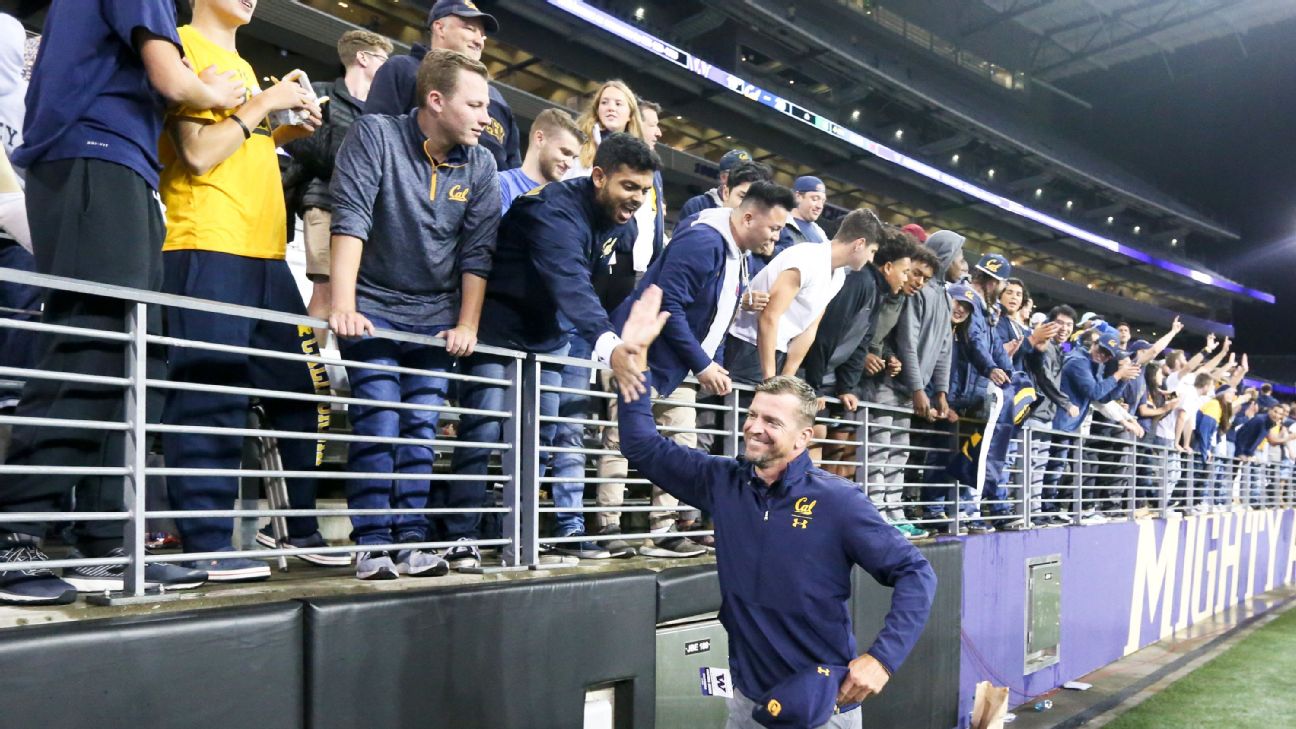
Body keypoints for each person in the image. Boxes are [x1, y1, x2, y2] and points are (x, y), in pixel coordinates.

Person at [0, 0, 247, 603]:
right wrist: (216, 92)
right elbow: (172, 79)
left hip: (122, 163)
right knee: (93, 344)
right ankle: (13, 533)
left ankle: (104, 541)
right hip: (91, 154)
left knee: (134, 358)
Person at [615, 286, 936, 729]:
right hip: (747, 703)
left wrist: (882, 659)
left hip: (821, 708)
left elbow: (916, 573)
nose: (754, 427)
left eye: (771, 421)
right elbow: (642, 446)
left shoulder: (838, 501)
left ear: (804, 437)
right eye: (752, 414)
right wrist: (634, 366)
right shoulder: (723, 481)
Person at [157, 0, 340, 581]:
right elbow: (197, 153)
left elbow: (237, 143)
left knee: (302, 391)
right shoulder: (181, 46)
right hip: (208, 242)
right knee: (210, 393)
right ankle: (206, 541)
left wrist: (283, 129)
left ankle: (295, 529)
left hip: (264, 253)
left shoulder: (242, 66)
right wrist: (264, 104)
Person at [449, 132, 660, 567]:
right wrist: (608, 343)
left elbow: (608, 285)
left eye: (644, 189)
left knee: (540, 441)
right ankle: (460, 535)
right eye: (628, 186)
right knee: (483, 432)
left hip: (548, 336)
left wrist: (606, 330)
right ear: (599, 176)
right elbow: (571, 281)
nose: (637, 199)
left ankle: (521, 536)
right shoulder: (552, 210)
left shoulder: (625, 222)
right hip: (498, 331)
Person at [328, 50, 500, 580]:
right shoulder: (375, 135)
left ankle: (410, 541)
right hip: (374, 309)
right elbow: (350, 218)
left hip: (434, 317)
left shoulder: (482, 164)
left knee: (422, 429)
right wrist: (343, 305)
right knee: (380, 421)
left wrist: (468, 324)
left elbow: (477, 253)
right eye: (475, 105)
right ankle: (372, 543)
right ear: (436, 100)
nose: (485, 116)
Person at [599, 181, 795, 558]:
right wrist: (703, 363)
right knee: (621, 440)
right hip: (642, 354)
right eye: (773, 227)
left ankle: (664, 529)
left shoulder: (736, 253)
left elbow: (715, 315)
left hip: (679, 366)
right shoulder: (704, 240)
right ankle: (608, 526)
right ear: (748, 217)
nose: (776, 236)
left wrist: (708, 361)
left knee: (682, 443)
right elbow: (669, 304)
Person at [282, 29, 392, 336]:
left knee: (353, 297)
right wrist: (355, 156)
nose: (388, 68)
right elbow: (300, 142)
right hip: (324, 203)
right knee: (326, 293)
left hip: (368, 215)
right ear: (363, 58)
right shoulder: (319, 93)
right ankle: (308, 363)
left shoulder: (384, 108)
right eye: (383, 60)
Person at [364, 0, 520, 171]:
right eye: (470, 29)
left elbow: (512, 169)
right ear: (440, 28)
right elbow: (371, 139)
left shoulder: (497, 99)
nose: (479, 42)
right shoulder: (403, 69)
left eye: (482, 36)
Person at [724, 228, 877, 387]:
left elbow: (810, 328)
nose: (871, 259)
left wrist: (787, 378)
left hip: (779, 351)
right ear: (859, 244)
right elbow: (769, 316)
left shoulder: (839, 276)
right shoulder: (806, 258)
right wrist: (770, 378)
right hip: (746, 344)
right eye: (872, 251)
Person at [1023, 305, 1079, 524]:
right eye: (1060, 323)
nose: (1064, 328)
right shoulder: (1044, 346)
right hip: (1033, 413)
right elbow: (1044, 377)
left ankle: (1035, 511)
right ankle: (1024, 512)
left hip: (1046, 415)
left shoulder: (1059, 348)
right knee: (1028, 467)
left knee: (1038, 467)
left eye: (1069, 325)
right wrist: (1065, 403)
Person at [497, 108, 583, 213]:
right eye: (565, 152)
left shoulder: (565, 202)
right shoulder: (501, 185)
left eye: (574, 158)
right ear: (539, 138)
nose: (570, 164)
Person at [675, 148, 751, 230]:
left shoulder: (753, 208)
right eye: (740, 175)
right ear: (724, 177)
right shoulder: (698, 205)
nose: (747, 179)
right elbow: (682, 236)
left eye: (750, 175)